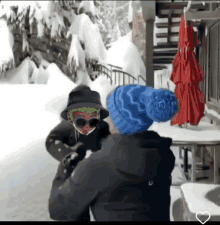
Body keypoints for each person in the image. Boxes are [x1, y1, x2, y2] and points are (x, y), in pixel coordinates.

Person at [48, 84, 178, 221]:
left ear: (118, 121)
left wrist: (65, 168)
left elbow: (58, 209)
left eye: (110, 113)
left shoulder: (96, 166)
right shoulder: (164, 155)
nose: (106, 119)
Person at [45, 84, 110, 221]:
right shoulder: (66, 126)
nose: (87, 126)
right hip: (74, 172)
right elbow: (51, 141)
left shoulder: (102, 126)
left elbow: (109, 141)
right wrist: (69, 155)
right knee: (77, 206)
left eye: (92, 121)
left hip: (97, 169)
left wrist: (105, 153)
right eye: (80, 120)